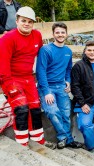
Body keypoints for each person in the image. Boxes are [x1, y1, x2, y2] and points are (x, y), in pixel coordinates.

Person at [0, 6, 55, 148]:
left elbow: (41, 57)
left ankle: (38, 140)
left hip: (28, 78)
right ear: (17, 21)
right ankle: (22, 143)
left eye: (30, 22)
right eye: (23, 21)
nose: (26, 24)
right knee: (21, 108)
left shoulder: (36, 35)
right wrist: (8, 86)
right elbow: (3, 65)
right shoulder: (7, 39)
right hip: (12, 78)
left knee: (35, 107)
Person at [36, 22, 82, 149]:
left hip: (61, 86)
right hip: (47, 87)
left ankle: (67, 140)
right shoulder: (46, 50)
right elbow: (41, 72)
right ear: (53, 34)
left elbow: (68, 69)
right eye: (57, 32)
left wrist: (68, 81)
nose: (60, 35)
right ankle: (63, 137)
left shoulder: (68, 51)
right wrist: (46, 92)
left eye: (63, 32)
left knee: (66, 113)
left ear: (66, 34)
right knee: (52, 111)